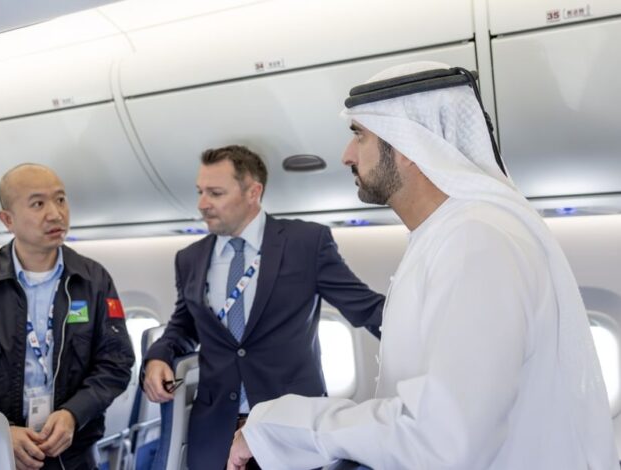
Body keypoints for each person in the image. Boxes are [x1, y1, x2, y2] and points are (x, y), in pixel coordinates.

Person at [227, 62, 617, 469]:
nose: (346, 155)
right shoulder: (444, 236)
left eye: (359, 136)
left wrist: (277, 426)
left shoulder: (477, 241)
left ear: (408, 144)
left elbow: (443, 437)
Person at [142, 145, 386, 469]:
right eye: (200, 192)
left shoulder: (305, 243)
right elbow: (184, 326)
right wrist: (159, 356)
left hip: (288, 428)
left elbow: (366, 308)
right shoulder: (190, 258)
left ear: (253, 192)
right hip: (215, 433)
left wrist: (429, 342)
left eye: (215, 193)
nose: (202, 204)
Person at [0, 163, 135, 470]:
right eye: (38, 204)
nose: (55, 214)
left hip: (73, 454)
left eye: (60, 199)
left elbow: (116, 363)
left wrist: (74, 413)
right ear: (7, 220)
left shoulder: (93, 280)